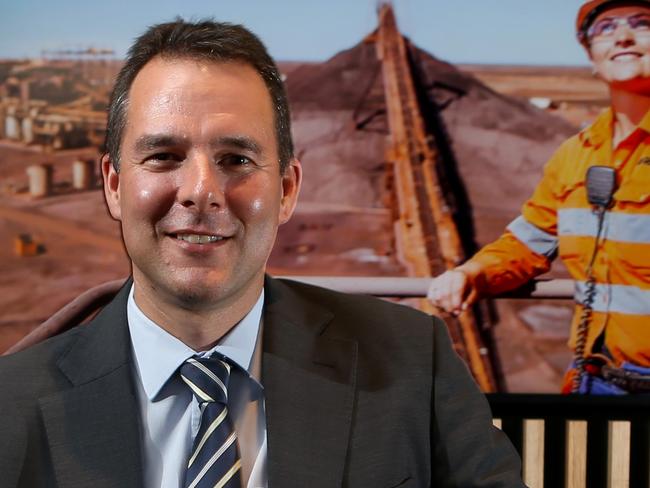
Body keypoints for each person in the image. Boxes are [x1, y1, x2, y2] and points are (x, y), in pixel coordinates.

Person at [0, 19, 524, 488]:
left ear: (288, 189)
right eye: (163, 156)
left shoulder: (412, 363)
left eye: (236, 158)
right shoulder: (10, 405)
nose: (200, 191)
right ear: (114, 185)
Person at [429, 0, 650, 394]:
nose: (623, 36)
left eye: (642, 23)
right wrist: (473, 273)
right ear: (592, 59)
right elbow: (528, 243)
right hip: (595, 379)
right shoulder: (575, 155)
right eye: (606, 28)